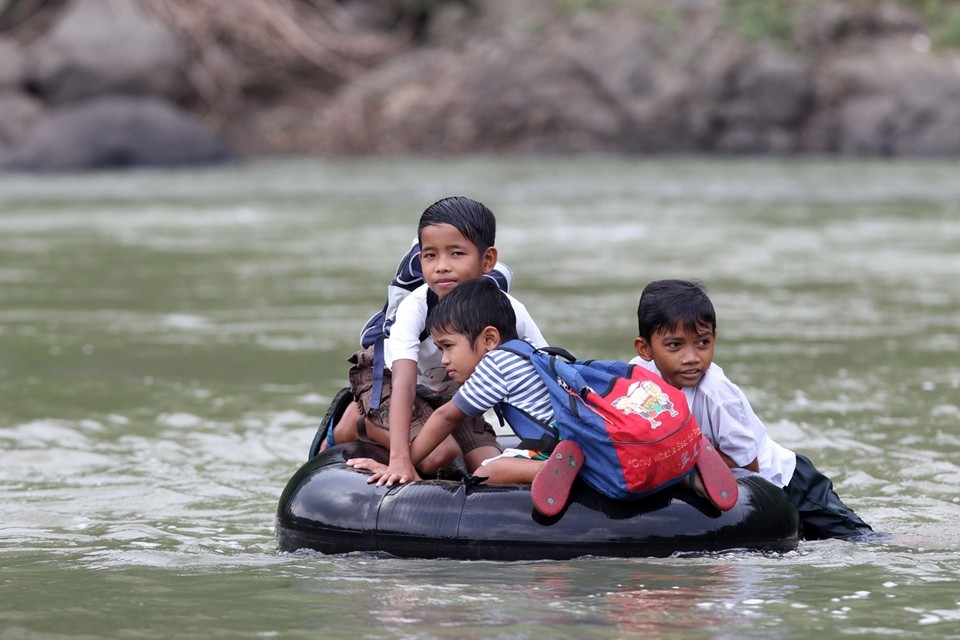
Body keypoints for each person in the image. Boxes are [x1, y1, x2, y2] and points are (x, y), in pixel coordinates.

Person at [352, 277, 736, 517]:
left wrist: (402, 464)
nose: (446, 359)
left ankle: (564, 468)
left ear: (488, 339)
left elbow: (445, 418)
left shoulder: (494, 366)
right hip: (605, 436)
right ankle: (687, 470)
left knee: (488, 471)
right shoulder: (530, 354)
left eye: (449, 346)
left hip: (573, 444)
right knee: (625, 460)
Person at [631, 279, 874, 540]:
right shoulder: (637, 378)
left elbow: (749, 465)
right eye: (674, 345)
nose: (691, 357)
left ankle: (908, 543)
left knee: (857, 538)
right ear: (645, 349)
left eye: (702, 343)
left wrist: (678, 466)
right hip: (745, 479)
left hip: (788, 482)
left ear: (714, 338)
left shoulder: (716, 393)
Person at [335, 196, 547, 486]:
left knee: (488, 461)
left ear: (487, 261)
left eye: (456, 254)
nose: (441, 267)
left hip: (450, 399)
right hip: (389, 382)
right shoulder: (415, 307)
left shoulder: (507, 309)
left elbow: (545, 365)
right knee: (440, 455)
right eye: (430, 255)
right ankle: (357, 420)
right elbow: (404, 384)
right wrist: (400, 461)